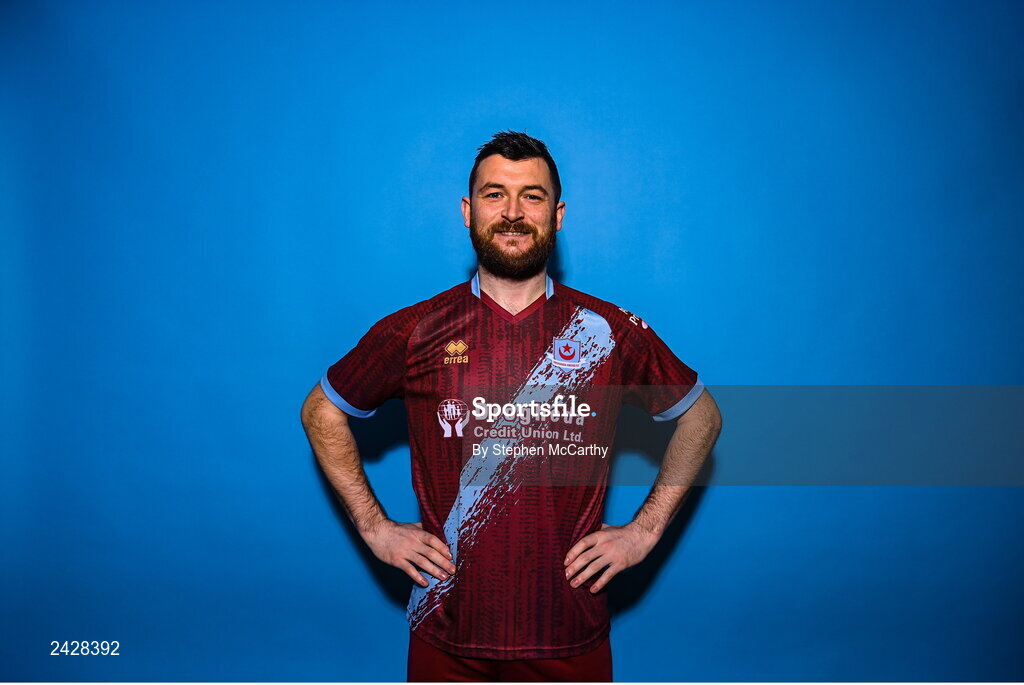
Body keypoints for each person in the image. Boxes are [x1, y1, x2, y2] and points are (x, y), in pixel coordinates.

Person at [300, 130, 722, 682]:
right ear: (467, 211)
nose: (514, 212)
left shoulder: (607, 330)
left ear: (559, 214)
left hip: (568, 634)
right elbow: (321, 411)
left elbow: (702, 416)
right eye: (495, 194)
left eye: (534, 196)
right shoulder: (415, 330)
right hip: (447, 635)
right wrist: (376, 526)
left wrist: (643, 531)